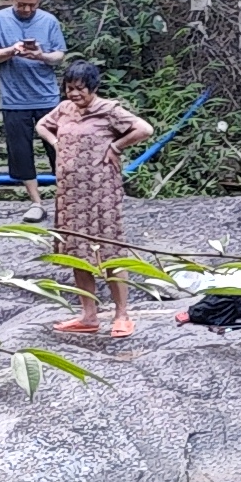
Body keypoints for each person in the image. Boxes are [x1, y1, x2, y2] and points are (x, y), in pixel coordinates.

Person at [36, 59, 155, 338]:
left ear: (93, 87)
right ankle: (88, 315)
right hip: (70, 195)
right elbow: (42, 125)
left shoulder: (108, 110)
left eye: (80, 88)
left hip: (101, 195)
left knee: (110, 251)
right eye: (70, 88)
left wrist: (116, 146)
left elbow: (144, 129)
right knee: (77, 251)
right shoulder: (64, 109)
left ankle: (122, 315)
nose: (74, 93)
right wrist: (56, 143)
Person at [0, 0, 68, 204]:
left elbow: (59, 56)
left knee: (59, 149)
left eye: (32, 4)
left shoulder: (49, 21)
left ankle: (66, 197)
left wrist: (41, 55)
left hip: (47, 98)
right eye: (21, 4)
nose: (27, 9)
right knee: (21, 153)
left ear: (39, 0)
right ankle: (36, 202)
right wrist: (11, 50)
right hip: (14, 99)